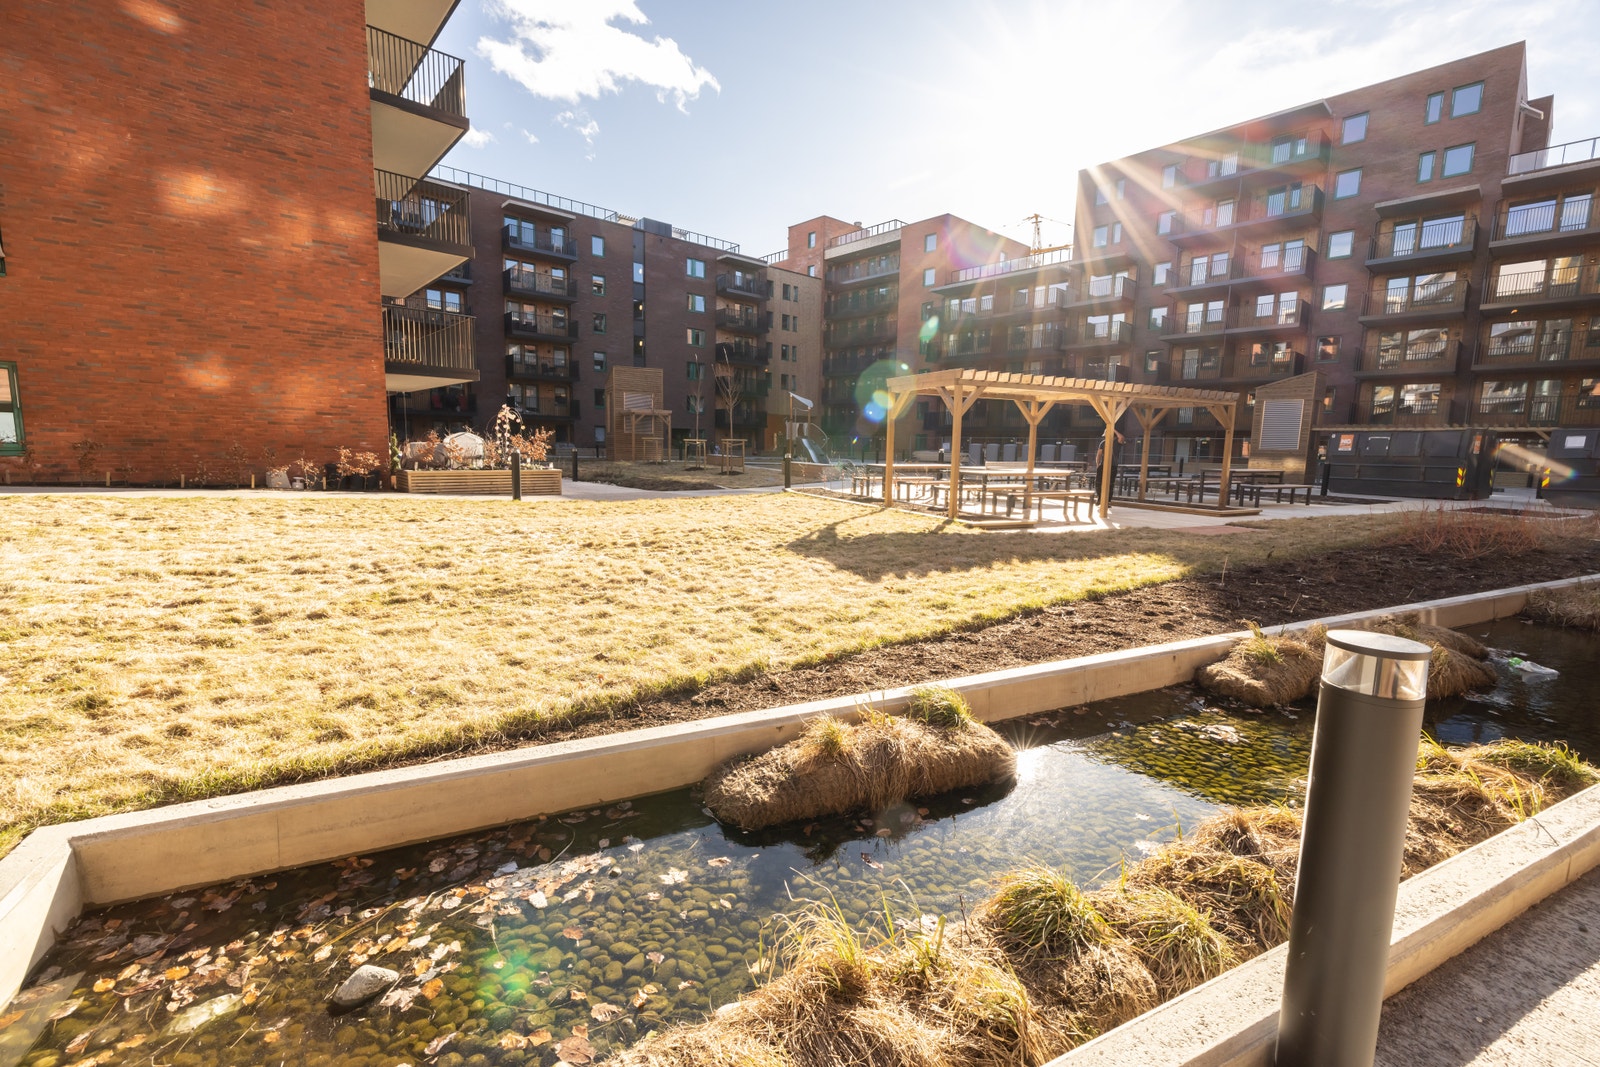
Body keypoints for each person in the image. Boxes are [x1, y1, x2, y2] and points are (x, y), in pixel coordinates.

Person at [1092, 430, 1126, 505]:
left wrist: (1113, 429)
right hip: (1103, 465)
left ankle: (1108, 501)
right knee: (1098, 482)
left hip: (1113, 465)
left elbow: (1122, 437)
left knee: (1110, 483)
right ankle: (1100, 498)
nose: (1105, 436)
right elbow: (1099, 454)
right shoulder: (1103, 443)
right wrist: (1098, 464)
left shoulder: (1117, 442)